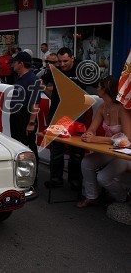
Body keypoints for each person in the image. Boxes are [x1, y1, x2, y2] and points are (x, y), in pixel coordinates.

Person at [77, 77, 131, 207]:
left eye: (99, 87)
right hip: (109, 150)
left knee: (103, 177)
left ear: (105, 90)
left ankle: (123, 198)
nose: (97, 89)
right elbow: (92, 129)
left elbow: (127, 139)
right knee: (86, 162)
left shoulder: (122, 109)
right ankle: (92, 196)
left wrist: (97, 139)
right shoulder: (102, 107)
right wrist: (88, 134)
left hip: (125, 153)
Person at [42, 47, 86, 189]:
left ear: (73, 57)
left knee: (76, 151)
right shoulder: (55, 71)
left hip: (76, 115)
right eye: (60, 61)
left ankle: (74, 179)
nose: (63, 64)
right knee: (56, 149)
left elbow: (100, 87)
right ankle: (56, 179)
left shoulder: (82, 69)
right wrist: (49, 93)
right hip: (57, 115)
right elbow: (41, 83)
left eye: (65, 61)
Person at [9, 51, 42, 185]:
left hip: (26, 118)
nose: (12, 65)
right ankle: (20, 175)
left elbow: (35, 103)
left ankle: (32, 178)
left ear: (21, 64)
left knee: (28, 148)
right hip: (16, 117)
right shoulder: (20, 77)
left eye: (14, 63)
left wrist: (31, 122)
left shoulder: (32, 79)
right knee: (17, 147)